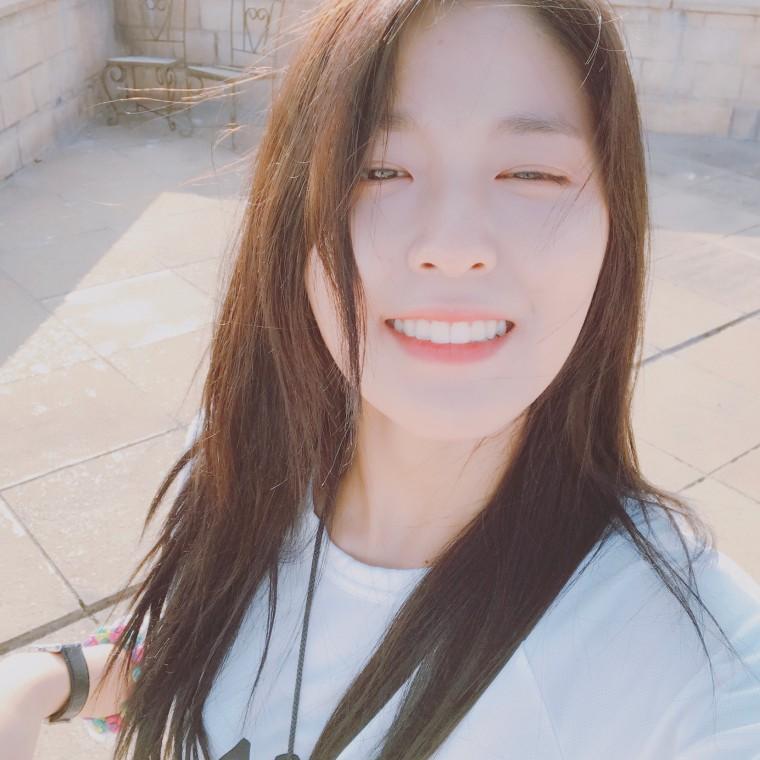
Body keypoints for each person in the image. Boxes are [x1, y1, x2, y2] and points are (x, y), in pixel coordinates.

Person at [1, 0, 759, 758]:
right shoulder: (245, 459)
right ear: (293, 222)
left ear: (614, 227)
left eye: (531, 172)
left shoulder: (698, 663)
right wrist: (43, 680)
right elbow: (203, 647)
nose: (453, 246)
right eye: (379, 169)